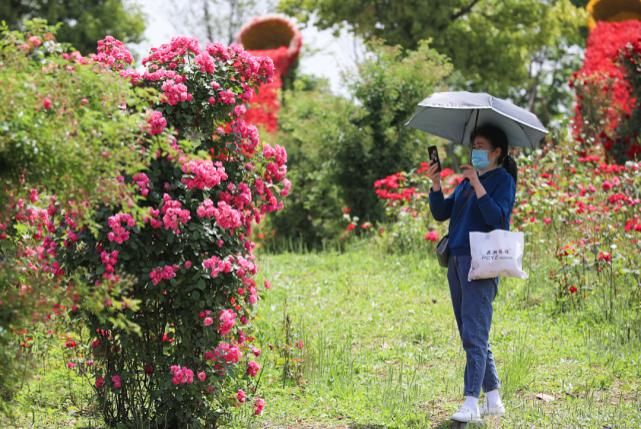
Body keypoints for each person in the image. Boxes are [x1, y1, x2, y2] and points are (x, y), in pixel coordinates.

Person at [426, 124, 517, 423]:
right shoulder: (466, 182)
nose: (475, 151)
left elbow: (498, 218)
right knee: (471, 331)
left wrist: (478, 184)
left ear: (496, 152)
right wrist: (437, 183)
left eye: (480, 146)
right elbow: (442, 212)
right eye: (473, 146)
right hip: (457, 259)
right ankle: (493, 399)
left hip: (482, 262)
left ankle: (470, 403)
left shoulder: (501, 180)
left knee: (474, 335)